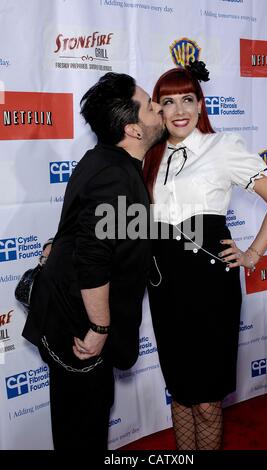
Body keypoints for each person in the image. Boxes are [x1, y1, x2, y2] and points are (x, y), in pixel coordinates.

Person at [143, 61, 267, 450]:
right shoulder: (149, 156)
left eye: (187, 100)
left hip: (209, 283)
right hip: (163, 282)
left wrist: (253, 253)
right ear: (157, 108)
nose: (179, 110)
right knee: (179, 391)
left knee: (208, 401)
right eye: (168, 101)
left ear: (201, 104)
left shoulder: (223, 147)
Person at [22, 72, 164, 450]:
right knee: (82, 430)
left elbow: (85, 230)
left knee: (83, 422)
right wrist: (99, 329)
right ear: (133, 129)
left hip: (71, 318)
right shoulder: (116, 175)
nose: (160, 110)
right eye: (152, 106)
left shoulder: (103, 161)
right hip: (79, 330)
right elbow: (93, 258)